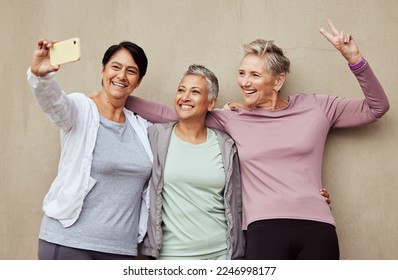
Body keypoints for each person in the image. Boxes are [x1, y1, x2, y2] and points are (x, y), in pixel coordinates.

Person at [124, 19, 389, 259]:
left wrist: (355, 60)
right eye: (241, 73)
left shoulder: (317, 107)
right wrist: (117, 97)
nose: (244, 82)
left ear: (278, 80)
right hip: (263, 228)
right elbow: (174, 112)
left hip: (317, 226)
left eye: (254, 75)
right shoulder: (234, 118)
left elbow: (376, 108)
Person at [27, 40, 153, 260]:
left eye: (131, 71)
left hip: (120, 249)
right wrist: (41, 77)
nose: (121, 76)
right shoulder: (80, 109)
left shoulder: (142, 128)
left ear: (138, 81)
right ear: (103, 69)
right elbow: (55, 104)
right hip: (69, 242)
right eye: (115, 67)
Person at [140, 64, 244, 260]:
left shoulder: (226, 145)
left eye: (195, 92)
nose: (185, 97)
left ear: (211, 103)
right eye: (181, 90)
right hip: (171, 256)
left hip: (221, 255)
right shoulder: (155, 136)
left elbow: (238, 200)